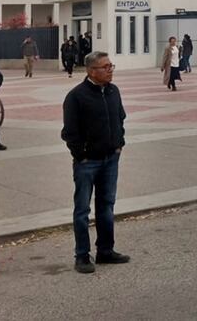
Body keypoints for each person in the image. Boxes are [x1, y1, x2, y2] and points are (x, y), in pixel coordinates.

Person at [61, 51, 129, 274]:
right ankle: (82, 255)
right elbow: (70, 132)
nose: (110, 70)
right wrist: (82, 154)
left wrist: (119, 143)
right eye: (105, 67)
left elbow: (120, 117)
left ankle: (105, 251)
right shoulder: (76, 96)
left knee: (107, 206)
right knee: (82, 209)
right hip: (87, 162)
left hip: (111, 158)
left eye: (111, 66)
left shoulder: (113, 91)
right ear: (91, 71)